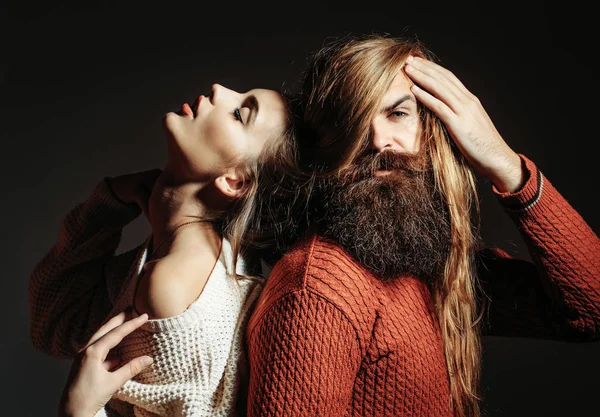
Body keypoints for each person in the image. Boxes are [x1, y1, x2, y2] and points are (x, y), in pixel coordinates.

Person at [244, 34, 600, 417]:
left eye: (397, 114)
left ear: (432, 128)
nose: (381, 141)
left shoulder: (428, 265)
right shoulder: (316, 291)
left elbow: (591, 309)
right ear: (326, 144)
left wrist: (505, 163)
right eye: (354, 122)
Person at [28, 83, 294, 416]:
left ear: (234, 181)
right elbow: (56, 325)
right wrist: (106, 207)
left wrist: (78, 411)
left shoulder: (172, 283)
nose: (218, 90)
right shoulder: (184, 256)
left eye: (240, 114)